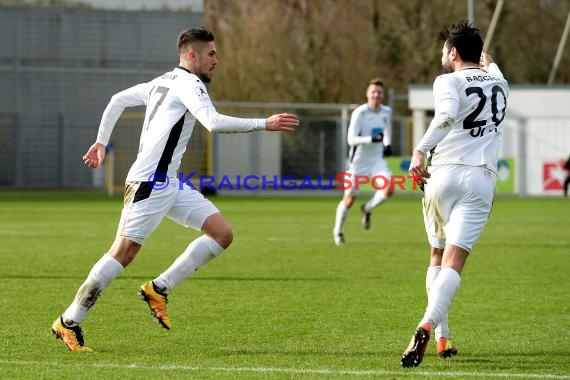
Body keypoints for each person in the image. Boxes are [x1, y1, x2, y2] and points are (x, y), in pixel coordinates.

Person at [51, 27, 299, 352]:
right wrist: (263, 123)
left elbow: (116, 100)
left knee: (222, 233)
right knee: (123, 253)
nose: (217, 60)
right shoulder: (189, 83)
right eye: (211, 54)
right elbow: (213, 122)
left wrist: (101, 141)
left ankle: (159, 288)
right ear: (192, 55)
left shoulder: (161, 82)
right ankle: (68, 322)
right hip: (149, 183)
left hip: (168, 182)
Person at [401, 21, 509, 367]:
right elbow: (489, 63)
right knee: (455, 261)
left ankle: (442, 334)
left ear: (453, 53)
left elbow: (446, 115)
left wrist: (419, 150)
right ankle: (432, 328)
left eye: (445, 48)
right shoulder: (500, 82)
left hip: (442, 173)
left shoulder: (446, 80)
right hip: (481, 179)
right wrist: (482, 57)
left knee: (436, 252)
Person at [332, 78, 394, 245]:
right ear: (367, 93)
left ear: (383, 95)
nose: (376, 95)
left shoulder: (386, 111)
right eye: (373, 91)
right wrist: (371, 139)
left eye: (379, 92)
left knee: (389, 188)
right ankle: (338, 231)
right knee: (349, 200)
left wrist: (388, 144)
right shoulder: (360, 113)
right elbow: (351, 139)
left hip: (376, 161)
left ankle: (367, 208)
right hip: (357, 163)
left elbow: (387, 129)